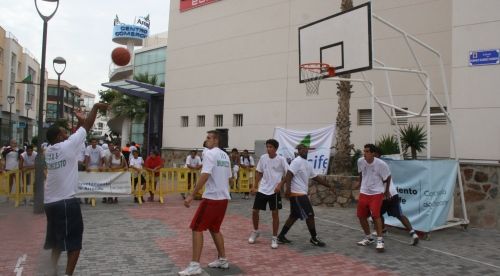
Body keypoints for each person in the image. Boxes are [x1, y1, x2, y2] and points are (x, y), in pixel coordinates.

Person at [43, 102, 108, 276]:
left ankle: (52, 271)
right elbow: (85, 128)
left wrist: (79, 123)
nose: (67, 133)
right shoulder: (67, 146)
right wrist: (95, 107)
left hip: (50, 202)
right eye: (64, 132)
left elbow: (76, 136)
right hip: (66, 201)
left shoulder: (49, 150)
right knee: (74, 243)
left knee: (57, 241)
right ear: (58, 137)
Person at [179, 130, 232, 276]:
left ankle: (195, 265)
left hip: (212, 198)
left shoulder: (209, 153)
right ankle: (222, 260)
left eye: (209, 138)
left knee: (196, 228)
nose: (206, 140)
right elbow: (229, 178)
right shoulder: (225, 155)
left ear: (216, 140)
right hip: (223, 198)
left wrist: (191, 195)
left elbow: (205, 174)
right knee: (215, 229)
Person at [277, 144, 333, 247]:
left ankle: (281, 236)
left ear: (308, 150)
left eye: (305, 149)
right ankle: (314, 238)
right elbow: (289, 175)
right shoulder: (297, 161)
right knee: (310, 215)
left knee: (294, 216)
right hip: (297, 194)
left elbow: (315, 177)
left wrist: (328, 185)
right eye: (301, 149)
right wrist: (288, 189)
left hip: (301, 193)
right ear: (298, 151)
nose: (304, 151)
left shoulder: (307, 163)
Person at [372, 147, 419, 245]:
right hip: (392, 194)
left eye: (371, 153)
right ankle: (413, 234)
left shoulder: (378, 165)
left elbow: (385, 179)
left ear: (376, 154)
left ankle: (382, 231)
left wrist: (385, 192)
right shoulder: (379, 164)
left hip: (386, 194)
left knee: (376, 214)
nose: (369, 155)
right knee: (397, 215)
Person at [248, 139, 289, 249]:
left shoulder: (281, 159)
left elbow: (287, 174)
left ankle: (274, 238)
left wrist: (280, 185)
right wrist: (255, 186)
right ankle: (255, 231)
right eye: (267, 147)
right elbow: (259, 172)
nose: (268, 149)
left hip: (274, 191)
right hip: (262, 189)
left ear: (276, 148)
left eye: (271, 147)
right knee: (255, 211)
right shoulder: (263, 158)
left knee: (275, 214)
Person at [356, 143, 391, 253]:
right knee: (361, 216)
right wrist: (360, 184)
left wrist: (386, 190)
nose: (364, 154)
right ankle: (368, 237)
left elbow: (388, 177)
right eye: (364, 151)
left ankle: (380, 240)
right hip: (364, 192)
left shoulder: (381, 164)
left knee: (376, 215)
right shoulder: (360, 161)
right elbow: (361, 173)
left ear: (373, 153)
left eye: (367, 151)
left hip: (376, 193)